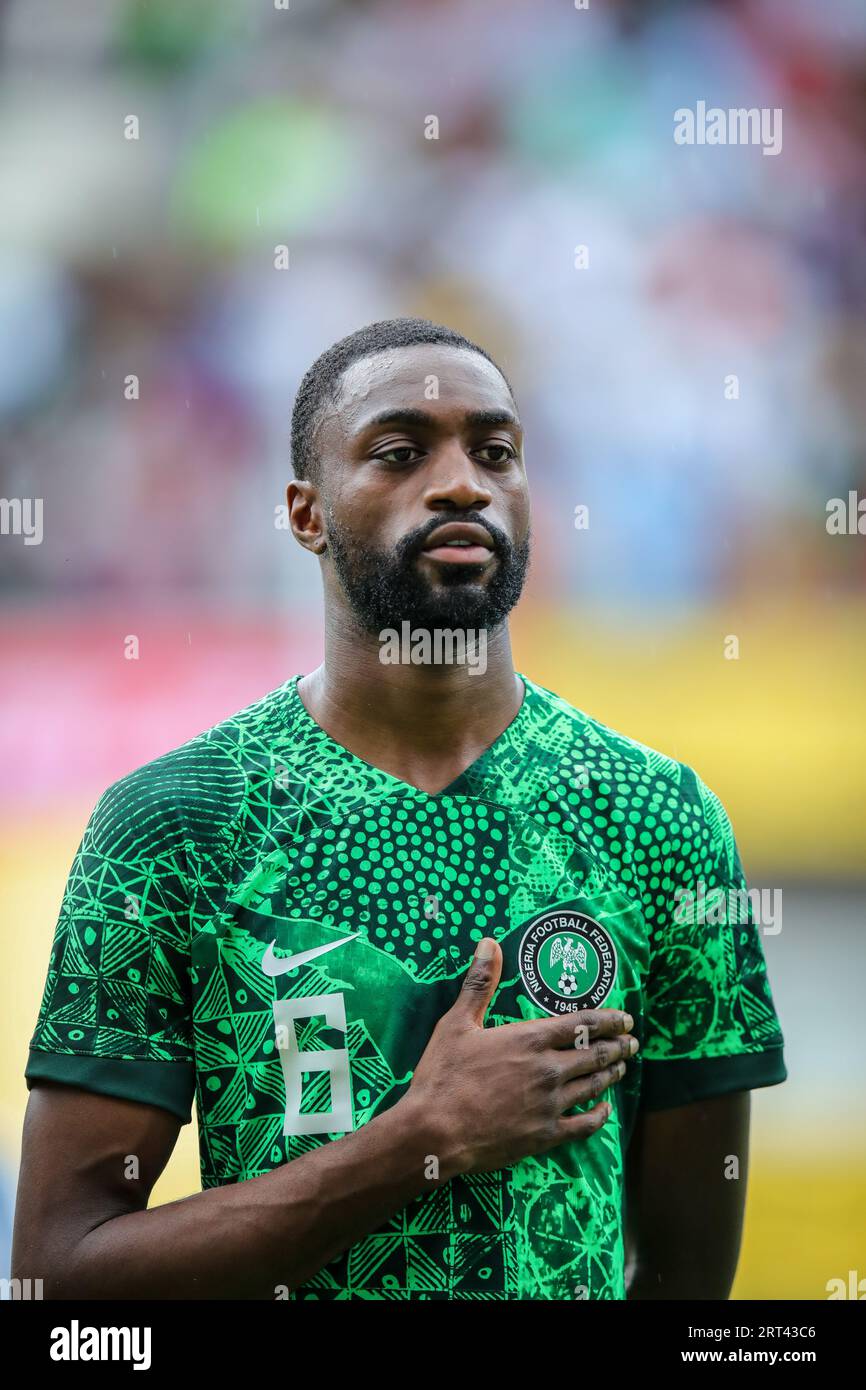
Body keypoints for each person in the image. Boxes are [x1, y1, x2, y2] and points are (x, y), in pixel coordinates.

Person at [13, 318, 786, 1300]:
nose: (462, 480)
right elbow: (56, 1278)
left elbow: (683, 1279)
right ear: (306, 513)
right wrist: (415, 1141)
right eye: (399, 451)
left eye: (494, 452)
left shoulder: (658, 818)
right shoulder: (174, 823)